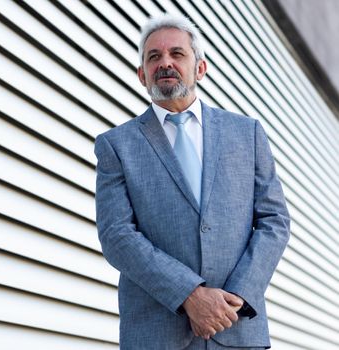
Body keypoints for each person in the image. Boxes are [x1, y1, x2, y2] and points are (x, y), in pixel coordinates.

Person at [94, 14, 290, 350]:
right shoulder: (116, 145)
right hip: (156, 336)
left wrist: (234, 299)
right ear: (142, 75)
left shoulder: (248, 134)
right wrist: (190, 295)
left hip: (237, 330)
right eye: (153, 57)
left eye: (177, 54)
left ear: (200, 68)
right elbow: (117, 235)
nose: (165, 63)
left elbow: (275, 222)